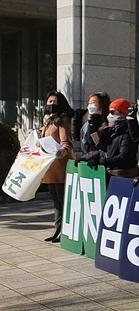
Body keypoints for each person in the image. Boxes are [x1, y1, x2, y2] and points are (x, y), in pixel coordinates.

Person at [39, 91, 75, 243]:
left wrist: (62, 150)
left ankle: (63, 230)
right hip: (49, 166)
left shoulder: (62, 120)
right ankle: (56, 229)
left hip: (60, 165)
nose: (51, 104)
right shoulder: (48, 121)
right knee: (55, 199)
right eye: (49, 101)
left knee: (62, 198)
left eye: (54, 102)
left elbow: (66, 142)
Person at [82, 98, 139, 178]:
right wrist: (87, 157)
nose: (109, 115)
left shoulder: (128, 133)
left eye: (112, 112)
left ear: (123, 114)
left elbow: (124, 157)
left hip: (123, 177)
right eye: (109, 112)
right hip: (110, 175)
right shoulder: (110, 130)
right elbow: (103, 150)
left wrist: (101, 161)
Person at [79, 91, 111, 156]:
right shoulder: (87, 123)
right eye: (89, 103)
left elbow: (98, 144)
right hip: (88, 156)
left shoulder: (107, 123)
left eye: (93, 103)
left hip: (100, 158)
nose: (90, 106)